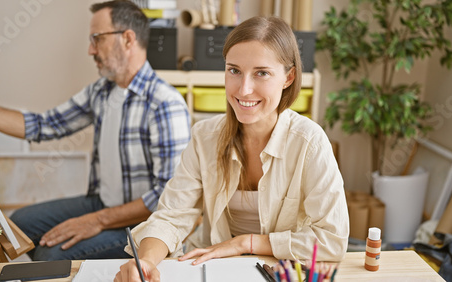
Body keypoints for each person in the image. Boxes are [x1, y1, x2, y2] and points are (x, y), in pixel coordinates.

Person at [115, 16, 349, 282]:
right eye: (234, 70)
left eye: (262, 73)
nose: (244, 89)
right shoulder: (205, 137)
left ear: (289, 77)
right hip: (210, 270)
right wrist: (145, 261)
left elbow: (332, 240)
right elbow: (171, 216)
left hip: (279, 273)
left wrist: (245, 244)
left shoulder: (309, 142)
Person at [0, 0, 191, 260]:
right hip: (102, 203)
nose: (91, 50)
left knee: (52, 256)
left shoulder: (164, 103)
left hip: (144, 225)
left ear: (128, 39)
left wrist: (97, 221)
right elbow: (44, 125)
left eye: (97, 39)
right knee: (18, 224)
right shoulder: (102, 91)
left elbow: (166, 197)